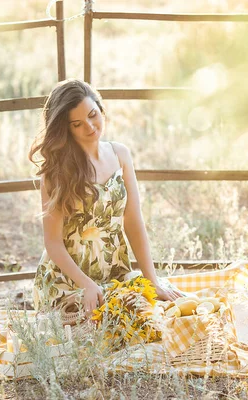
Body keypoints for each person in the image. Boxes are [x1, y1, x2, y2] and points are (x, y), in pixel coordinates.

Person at [29, 79, 182, 317]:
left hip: (114, 272)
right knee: (100, 327)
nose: (90, 127)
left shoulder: (120, 154)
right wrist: (87, 285)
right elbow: (53, 243)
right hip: (69, 281)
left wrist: (152, 280)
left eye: (93, 115)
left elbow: (133, 221)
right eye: (77, 124)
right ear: (66, 128)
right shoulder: (57, 171)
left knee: (157, 310)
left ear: (101, 109)